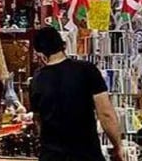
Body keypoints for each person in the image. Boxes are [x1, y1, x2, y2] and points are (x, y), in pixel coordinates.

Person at [29, 26, 127, 161]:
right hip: (85, 154)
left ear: (40, 53)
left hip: (51, 156)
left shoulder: (37, 80)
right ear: (62, 45)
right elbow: (106, 113)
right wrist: (118, 146)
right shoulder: (86, 70)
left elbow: (38, 120)